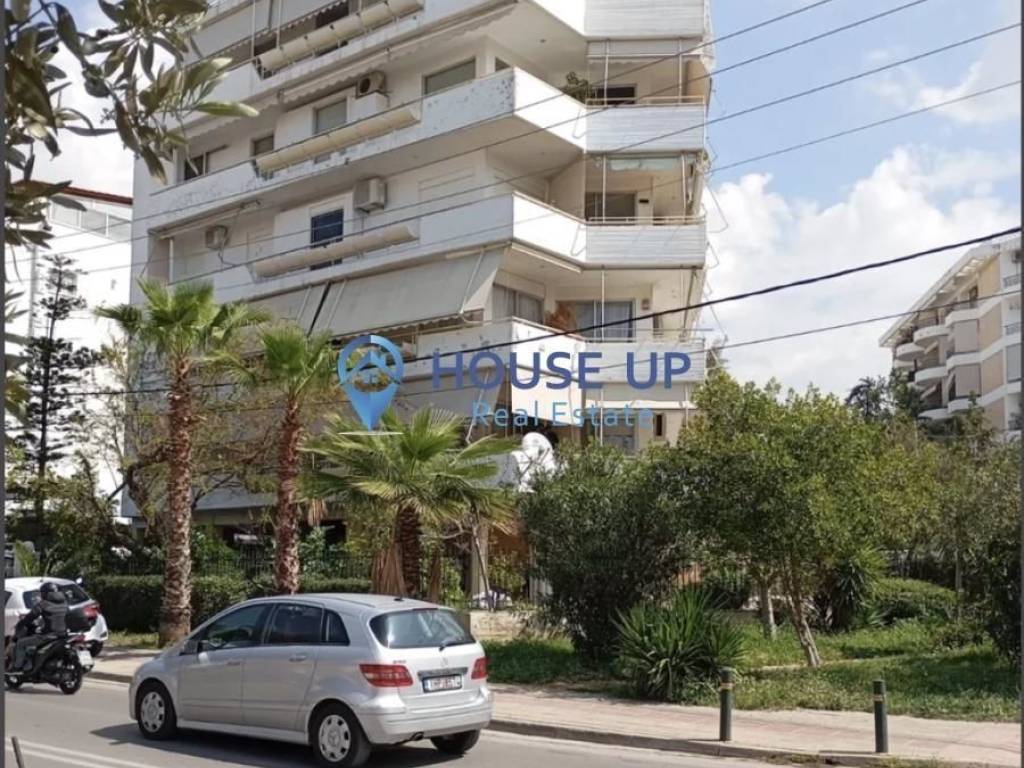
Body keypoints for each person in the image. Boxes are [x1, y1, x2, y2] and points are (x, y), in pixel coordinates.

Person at [12, 582, 68, 673]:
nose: (40, 595)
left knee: (20, 643)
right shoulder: (65, 603)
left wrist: (20, 625)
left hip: (48, 636)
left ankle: (17, 667)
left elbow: (30, 617)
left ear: (45, 593)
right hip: (63, 635)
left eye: (41, 593)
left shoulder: (43, 604)